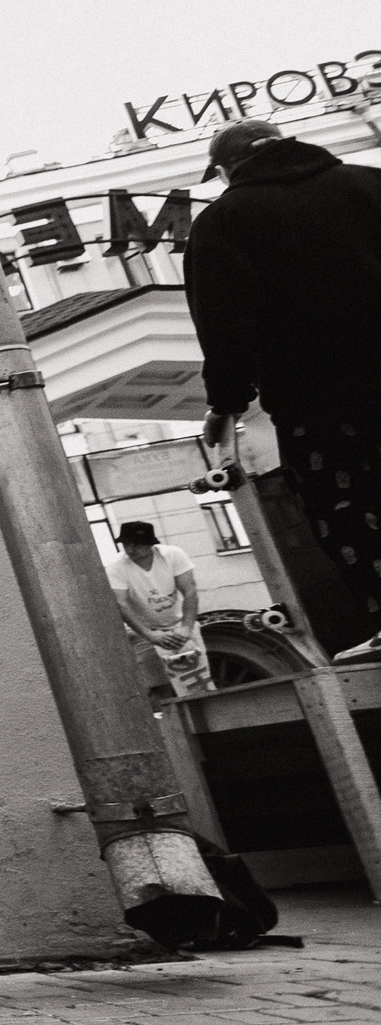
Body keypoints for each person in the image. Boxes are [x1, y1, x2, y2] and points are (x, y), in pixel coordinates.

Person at [187, 119, 381, 652]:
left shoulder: (225, 220)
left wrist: (225, 403)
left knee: (349, 508)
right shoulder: (371, 183)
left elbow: (226, 324)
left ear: (227, 169)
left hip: (319, 402)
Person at [106, 520, 213, 697]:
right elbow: (121, 604)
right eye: (126, 544)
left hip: (179, 624)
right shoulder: (116, 567)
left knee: (198, 681)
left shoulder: (173, 555)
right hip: (144, 630)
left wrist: (186, 627)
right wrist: (150, 635)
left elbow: (189, 591)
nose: (130, 549)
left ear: (149, 544)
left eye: (136, 545)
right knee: (156, 686)